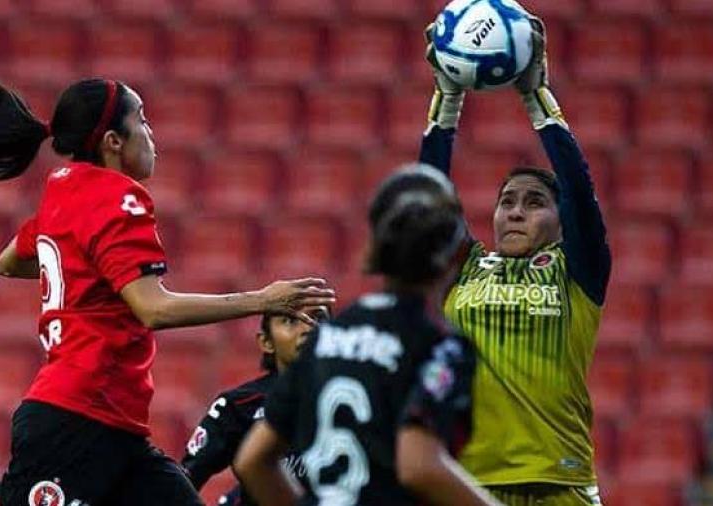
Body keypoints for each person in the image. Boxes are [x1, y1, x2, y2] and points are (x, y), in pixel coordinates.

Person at [0, 60, 335, 506]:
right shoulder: (120, 197)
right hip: (76, 421)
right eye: (143, 120)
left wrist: (78, 268)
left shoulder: (63, 187)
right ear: (114, 141)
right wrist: (262, 298)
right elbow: (152, 309)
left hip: (114, 428)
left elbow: (9, 261)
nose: (152, 134)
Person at [420, 16, 611, 505]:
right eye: (507, 201)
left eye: (534, 202)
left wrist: (535, 95)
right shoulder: (466, 266)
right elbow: (428, 197)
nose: (516, 212)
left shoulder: (578, 272)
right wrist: (448, 99)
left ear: (560, 219)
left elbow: (581, 194)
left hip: (557, 481)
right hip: (468, 484)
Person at [234, 165, 501, 505]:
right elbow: (419, 466)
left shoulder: (329, 335)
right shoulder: (439, 345)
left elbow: (253, 461)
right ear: (455, 254)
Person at [182, 309, 326, 505]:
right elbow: (185, 480)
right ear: (266, 342)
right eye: (290, 321)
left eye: (318, 318)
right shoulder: (239, 406)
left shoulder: (366, 397)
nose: (307, 328)